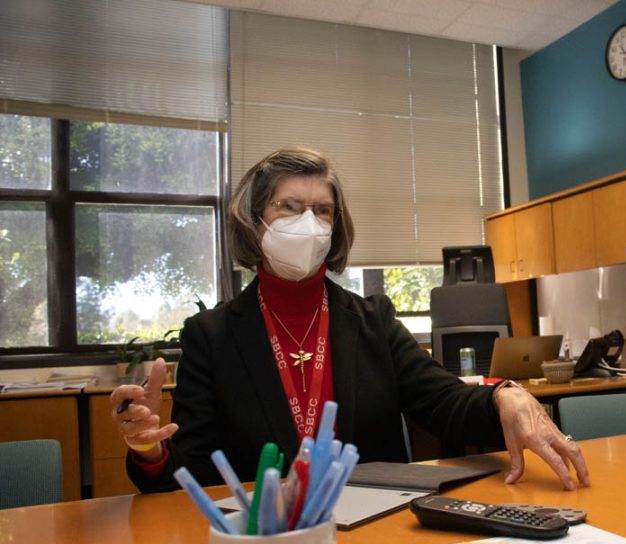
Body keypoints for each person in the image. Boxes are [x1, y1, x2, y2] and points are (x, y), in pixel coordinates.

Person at [111, 147, 590, 493]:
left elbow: (441, 400)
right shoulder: (212, 335)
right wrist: (149, 452)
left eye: (323, 211)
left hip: (375, 521)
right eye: (290, 207)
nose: (310, 223)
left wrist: (505, 396)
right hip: (271, 534)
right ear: (255, 220)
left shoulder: (372, 318)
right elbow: (194, 472)